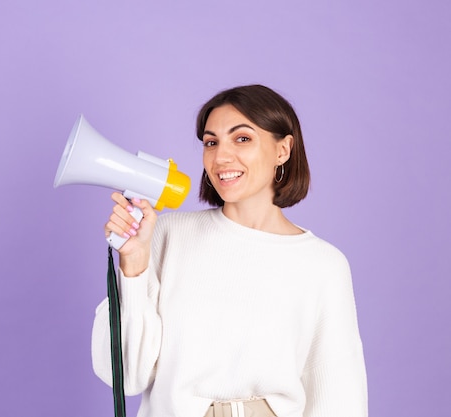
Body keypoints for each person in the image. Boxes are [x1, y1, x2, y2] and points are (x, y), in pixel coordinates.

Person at [92, 85, 368, 417]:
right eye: (211, 142)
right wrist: (133, 265)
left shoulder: (324, 265)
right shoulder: (167, 235)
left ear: (283, 149)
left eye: (242, 139)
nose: (221, 157)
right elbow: (125, 377)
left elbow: (339, 397)